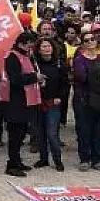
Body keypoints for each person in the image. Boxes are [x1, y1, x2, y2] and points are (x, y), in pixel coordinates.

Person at [1, 32, 42, 177]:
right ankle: (11, 164)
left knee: (22, 131)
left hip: (25, 100)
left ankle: (17, 160)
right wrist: (34, 77)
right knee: (15, 134)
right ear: (21, 43)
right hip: (15, 101)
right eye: (30, 43)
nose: (32, 46)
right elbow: (16, 79)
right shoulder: (12, 56)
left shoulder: (26, 56)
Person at [72, 30, 100, 171]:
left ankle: (98, 158)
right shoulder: (79, 60)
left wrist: (95, 77)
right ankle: (85, 158)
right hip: (83, 99)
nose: (90, 42)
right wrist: (98, 77)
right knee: (84, 129)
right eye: (87, 40)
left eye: (92, 39)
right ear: (82, 44)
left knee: (99, 130)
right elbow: (82, 77)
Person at [34, 38, 68, 171]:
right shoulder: (35, 65)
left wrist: (59, 97)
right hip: (38, 102)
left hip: (53, 102)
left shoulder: (59, 64)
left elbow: (65, 84)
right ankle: (43, 159)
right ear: (39, 49)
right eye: (44, 46)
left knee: (52, 133)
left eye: (48, 46)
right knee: (40, 132)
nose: (47, 48)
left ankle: (57, 159)